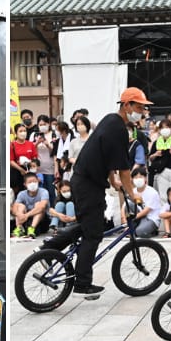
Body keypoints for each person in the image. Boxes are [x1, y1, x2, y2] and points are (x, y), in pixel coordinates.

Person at [68, 87, 151, 297]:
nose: (141, 112)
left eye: (143, 108)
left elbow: (104, 156)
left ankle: (54, 245)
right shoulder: (118, 129)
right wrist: (133, 194)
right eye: (139, 107)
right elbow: (124, 170)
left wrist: (112, 180)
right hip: (88, 185)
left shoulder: (111, 120)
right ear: (126, 105)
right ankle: (82, 282)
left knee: (88, 225)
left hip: (87, 182)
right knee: (93, 234)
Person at [12, 173, 50, 238]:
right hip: (25, 219)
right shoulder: (21, 194)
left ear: (38, 181)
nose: (32, 184)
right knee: (20, 206)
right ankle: (19, 228)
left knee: (38, 205)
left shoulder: (44, 192)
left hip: (42, 220)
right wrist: (19, 214)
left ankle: (32, 229)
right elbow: (14, 208)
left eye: (34, 181)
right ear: (25, 184)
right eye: (29, 182)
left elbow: (42, 207)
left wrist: (26, 215)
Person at [129, 166, 164, 237]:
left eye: (141, 177)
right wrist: (124, 221)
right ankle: (133, 229)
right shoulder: (133, 191)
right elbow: (124, 207)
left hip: (151, 218)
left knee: (140, 232)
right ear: (132, 179)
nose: (138, 179)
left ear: (145, 178)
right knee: (129, 204)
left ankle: (150, 230)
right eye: (135, 177)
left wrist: (133, 218)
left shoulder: (152, 192)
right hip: (139, 217)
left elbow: (146, 211)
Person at [9, 121, 38, 195]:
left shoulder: (30, 144)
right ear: (16, 133)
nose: (23, 133)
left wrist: (32, 166)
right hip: (17, 172)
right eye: (20, 131)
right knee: (19, 192)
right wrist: (21, 170)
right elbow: (11, 161)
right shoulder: (12, 145)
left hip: (29, 171)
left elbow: (35, 157)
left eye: (24, 131)